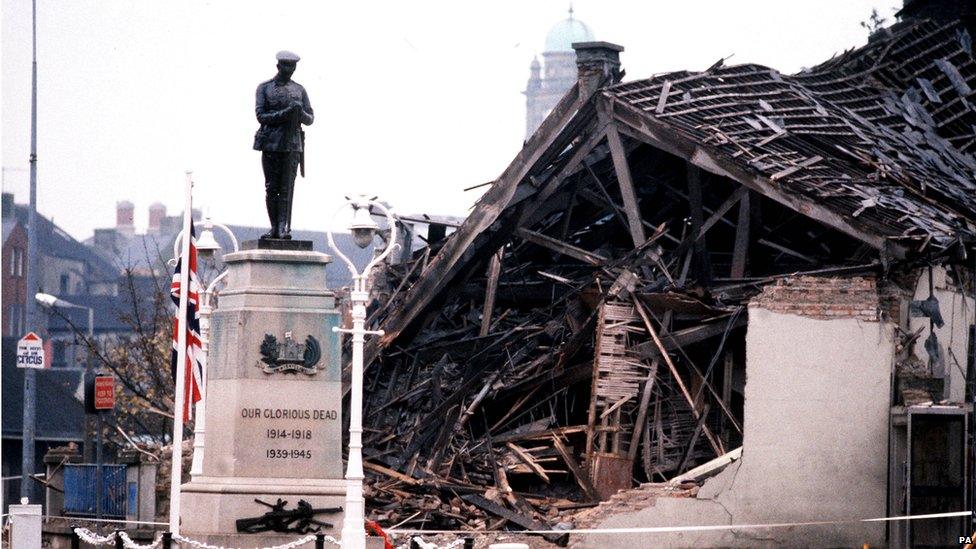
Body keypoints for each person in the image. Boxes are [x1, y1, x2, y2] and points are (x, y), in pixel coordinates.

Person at [253, 50, 314, 239]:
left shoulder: (299, 90)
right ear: (278, 66)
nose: (290, 70)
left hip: (292, 144)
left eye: (293, 66)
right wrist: (286, 113)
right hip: (271, 144)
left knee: (287, 187)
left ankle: (282, 227)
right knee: (272, 187)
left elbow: (310, 118)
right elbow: (260, 116)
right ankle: (274, 227)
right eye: (287, 66)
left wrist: (299, 113)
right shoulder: (264, 88)